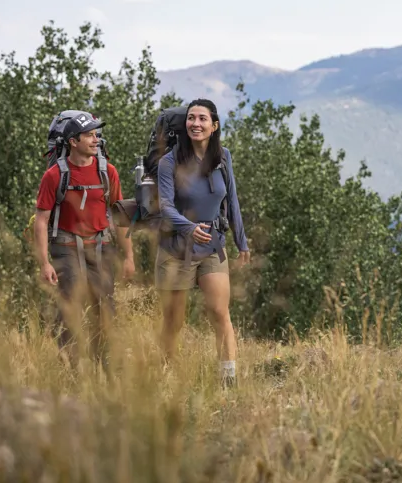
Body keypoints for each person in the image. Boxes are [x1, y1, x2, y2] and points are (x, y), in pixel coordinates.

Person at [155, 98, 250, 388]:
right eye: (191, 118)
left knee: (220, 313)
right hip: (175, 250)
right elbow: (166, 206)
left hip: (212, 247)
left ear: (214, 125)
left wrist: (241, 241)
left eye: (202, 119)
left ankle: (228, 380)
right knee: (174, 322)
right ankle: (167, 376)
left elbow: (231, 199)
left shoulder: (223, 157)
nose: (195, 123)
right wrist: (189, 227)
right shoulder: (169, 162)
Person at [33, 112, 135, 373]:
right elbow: (41, 221)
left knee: (105, 309)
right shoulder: (55, 176)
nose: (95, 139)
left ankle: (107, 367)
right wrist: (45, 263)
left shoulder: (107, 171)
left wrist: (129, 257)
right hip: (65, 249)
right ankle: (72, 370)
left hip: (100, 248)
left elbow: (120, 216)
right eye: (89, 135)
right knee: (69, 311)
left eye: (96, 135)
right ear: (72, 142)